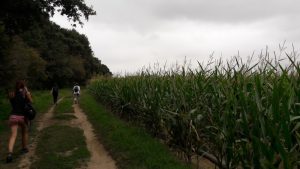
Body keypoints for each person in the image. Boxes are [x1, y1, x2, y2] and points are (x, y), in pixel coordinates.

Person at [7, 80, 32, 163]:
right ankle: (24, 148)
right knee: (24, 131)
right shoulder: (24, 95)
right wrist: (27, 91)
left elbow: (13, 103)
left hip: (13, 116)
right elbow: (31, 101)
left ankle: (10, 153)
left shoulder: (12, 94)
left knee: (13, 135)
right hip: (21, 117)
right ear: (23, 87)